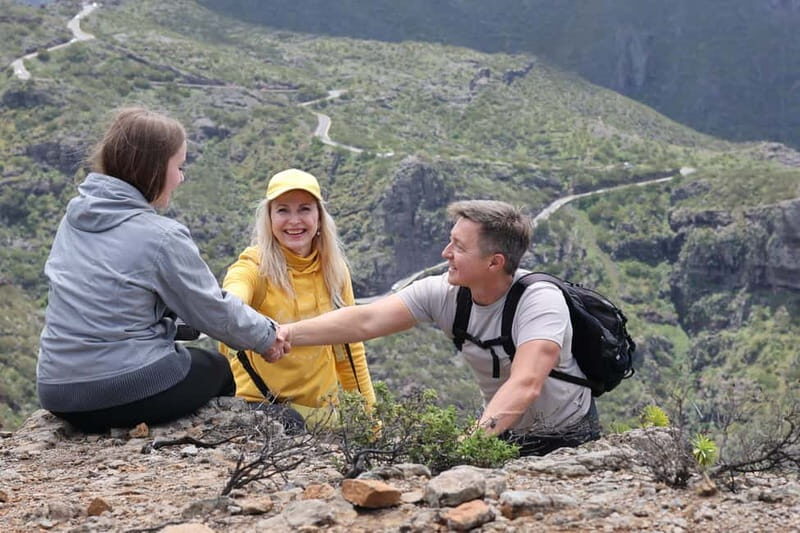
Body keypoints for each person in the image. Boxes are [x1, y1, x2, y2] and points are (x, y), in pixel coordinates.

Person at [275, 200, 600, 455]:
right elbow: (365, 320)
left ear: (494, 262)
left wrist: (467, 445)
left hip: (567, 437)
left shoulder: (540, 301)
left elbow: (526, 383)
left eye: (459, 246)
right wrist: (285, 333)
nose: (446, 253)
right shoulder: (443, 292)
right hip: (505, 433)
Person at [37, 107, 281, 433]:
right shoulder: (161, 236)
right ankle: (216, 438)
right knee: (217, 368)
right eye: (178, 166)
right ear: (151, 168)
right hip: (118, 391)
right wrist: (267, 336)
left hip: (57, 391)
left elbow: (108, 301)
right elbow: (211, 309)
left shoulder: (73, 219)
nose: (181, 177)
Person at [219, 168, 375, 427]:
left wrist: (371, 421)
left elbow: (349, 349)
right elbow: (231, 302)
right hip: (258, 406)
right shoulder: (254, 265)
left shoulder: (333, 271)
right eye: (282, 210)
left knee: (351, 431)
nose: (294, 221)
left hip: (320, 409)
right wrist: (233, 302)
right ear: (269, 218)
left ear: (319, 217)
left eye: (304, 209)